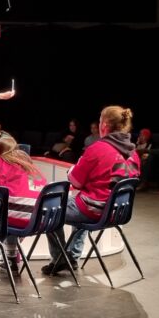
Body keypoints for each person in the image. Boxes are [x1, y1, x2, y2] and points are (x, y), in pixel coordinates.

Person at [44, 106, 140, 275]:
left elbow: (75, 181)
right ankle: (72, 257)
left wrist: (73, 171)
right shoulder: (134, 153)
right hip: (119, 212)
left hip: (96, 210)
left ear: (104, 125)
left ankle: (61, 259)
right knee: (82, 199)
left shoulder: (98, 148)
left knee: (48, 208)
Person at [0, 136, 47, 277]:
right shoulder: (28, 163)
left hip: (19, 216)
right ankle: (12, 259)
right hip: (40, 218)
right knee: (10, 212)